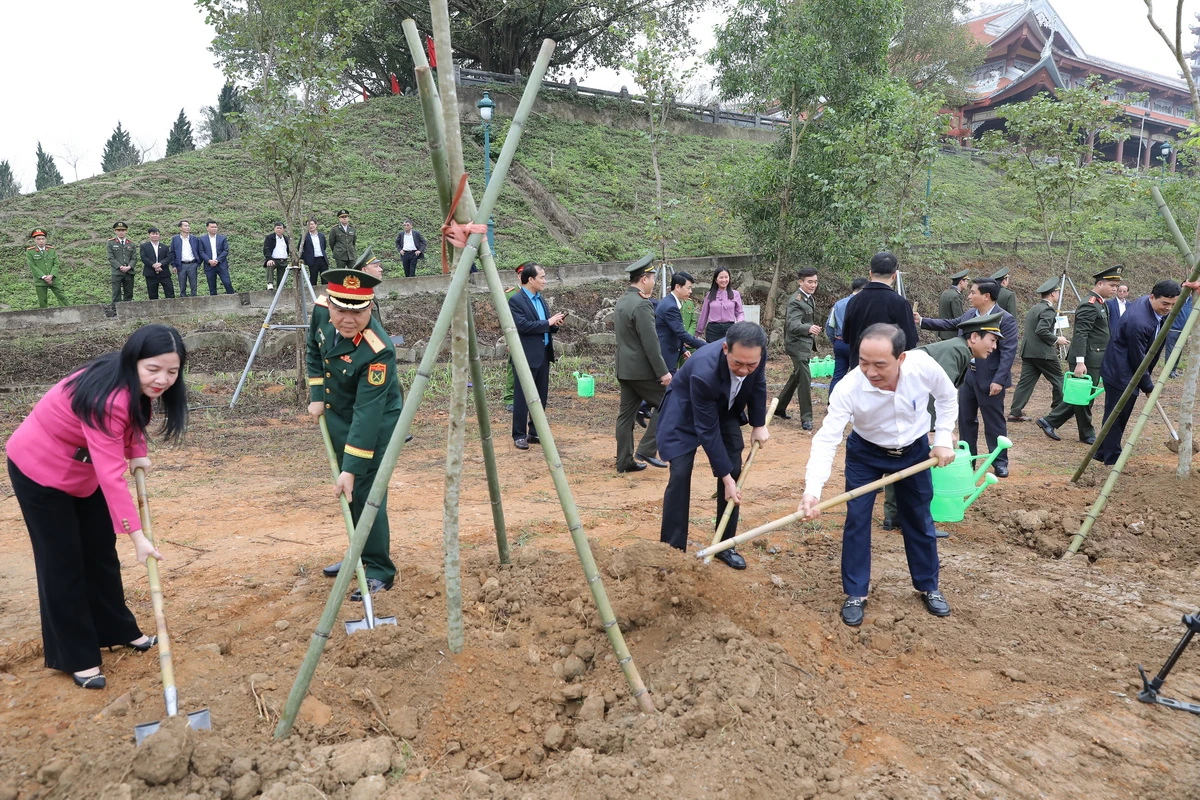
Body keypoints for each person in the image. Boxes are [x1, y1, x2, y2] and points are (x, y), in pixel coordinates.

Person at [5, 324, 188, 689]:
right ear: (133, 361)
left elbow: (135, 415)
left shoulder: (131, 383)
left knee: (100, 552)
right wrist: (138, 537)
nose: (163, 379)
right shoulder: (109, 398)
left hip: (81, 472)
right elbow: (110, 473)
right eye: (154, 369)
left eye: (172, 370)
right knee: (63, 562)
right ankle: (77, 655)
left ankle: (116, 629)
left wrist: (137, 451)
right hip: (39, 471)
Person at [798, 323, 958, 626]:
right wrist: (812, 490)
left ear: (901, 359)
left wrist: (941, 438)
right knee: (857, 518)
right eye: (863, 362)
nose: (870, 371)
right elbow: (827, 438)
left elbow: (948, 397)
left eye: (879, 364)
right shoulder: (848, 387)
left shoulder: (922, 366)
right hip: (866, 454)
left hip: (913, 452)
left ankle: (928, 585)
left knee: (919, 518)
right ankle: (856, 592)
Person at [307, 268, 403, 598]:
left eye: (358, 312)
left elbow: (367, 414)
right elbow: (313, 351)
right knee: (350, 494)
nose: (348, 319)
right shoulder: (320, 313)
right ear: (330, 304)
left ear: (371, 308)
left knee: (364, 492)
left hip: (374, 422)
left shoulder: (379, 351)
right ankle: (358, 555)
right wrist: (317, 396)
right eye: (341, 309)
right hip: (338, 415)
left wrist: (350, 468)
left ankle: (378, 569)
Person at [658, 322, 769, 570]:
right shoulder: (704, 371)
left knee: (734, 466)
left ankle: (724, 545)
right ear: (725, 348)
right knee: (680, 473)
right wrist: (725, 478)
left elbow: (758, 383)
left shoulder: (755, 356)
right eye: (737, 363)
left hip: (725, 408)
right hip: (685, 411)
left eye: (751, 364)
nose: (744, 370)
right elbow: (707, 431)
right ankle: (672, 552)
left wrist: (758, 424)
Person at [882, 314, 1005, 531]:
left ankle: (895, 516)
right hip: (901, 399)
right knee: (914, 462)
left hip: (898, 399)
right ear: (974, 337)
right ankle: (913, 520)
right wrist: (937, 431)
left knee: (901, 457)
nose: (994, 347)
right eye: (992, 340)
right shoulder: (957, 350)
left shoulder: (958, 350)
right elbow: (937, 392)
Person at [917, 279, 1018, 478]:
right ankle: (968, 459)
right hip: (968, 376)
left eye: (973, 293)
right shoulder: (970, 314)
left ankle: (999, 461)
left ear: (986, 296)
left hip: (990, 379)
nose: (969, 296)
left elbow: (1008, 352)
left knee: (993, 421)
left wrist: (999, 379)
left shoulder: (1005, 319)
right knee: (965, 420)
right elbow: (951, 324)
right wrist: (921, 321)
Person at [1094, 279, 1181, 465]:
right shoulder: (1139, 322)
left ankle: (1101, 452)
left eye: (1173, 304)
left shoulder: (1150, 307)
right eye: (1165, 303)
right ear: (1152, 297)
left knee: (1114, 414)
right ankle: (1112, 458)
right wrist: (1148, 386)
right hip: (1121, 372)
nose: (1168, 308)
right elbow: (1138, 359)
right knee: (1117, 415)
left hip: (1128, 368)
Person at [1038, 267, 1121, 445]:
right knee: (1083, 397)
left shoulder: (1100, 303)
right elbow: (1080, 334)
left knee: (1084, 397)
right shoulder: (1089, 304)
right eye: (1112, 285)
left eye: (1117, 285)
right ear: (1100, 283)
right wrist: (1080, 362)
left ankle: (1052, 422)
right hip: (1087, 359)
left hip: (1096, 357)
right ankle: (1084, 433)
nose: (1115, 288)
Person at [614, 255, 672, 472]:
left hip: (624, 368)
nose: (654, 282)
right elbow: (651, 344)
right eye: (652, 278)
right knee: (669, 401)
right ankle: (647, 449)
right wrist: (663, 372)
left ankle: (624, 461)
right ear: (644, 279)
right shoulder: (641, 305)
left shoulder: (623, 300)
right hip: (641, 371)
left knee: (626, 415)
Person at [509, 262, 565, 450]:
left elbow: (543, 324)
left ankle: (534, 431)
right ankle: (519, 435)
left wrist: (554, 324)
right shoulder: (516, 301)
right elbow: (522, 326)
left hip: (543, 354)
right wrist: (548, 322)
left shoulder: (540, 299)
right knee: (522, 397)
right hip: (525, 356)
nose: (545, 281)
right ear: (530, 279)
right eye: (542, 277)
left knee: (540, 396)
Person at [842, 251, 919, 364]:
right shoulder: (900, 303)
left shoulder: (854, 301)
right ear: (894, 275)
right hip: (887, 369)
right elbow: (910, 341)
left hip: (860, 367)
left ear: (870, 273)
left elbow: (846, 337)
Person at [1007, 278, 1067, 422]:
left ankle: (1015, 412)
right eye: (1057, 292)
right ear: (1053, 294)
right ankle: (1058, 411)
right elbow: (1041, 330)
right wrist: (1057, 340)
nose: (1058, 295)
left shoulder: (1034, 308)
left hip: (1029, 352)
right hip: (1043, 353)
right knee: (1059, 379)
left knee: (1025, 382)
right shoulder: (1048, 310)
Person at [776, 268, 821, 429]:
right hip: (797, 346)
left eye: (815, 281)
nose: (813, 285)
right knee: (804, 380)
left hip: (804, 345)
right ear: (800, 282)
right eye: (810, 281)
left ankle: (779, 407)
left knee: (796, 376)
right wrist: (808, 328)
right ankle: (806, 418)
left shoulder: (808, 298)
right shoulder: (796, 300)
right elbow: (792, 324)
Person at [655, 271, 706, 373]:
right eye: (688, 288)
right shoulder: (670, 307)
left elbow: (671, 331)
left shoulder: (669, 302)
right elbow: (680, 333)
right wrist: (705, 346)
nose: (690, 291)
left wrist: (682, 349)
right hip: (666, 356)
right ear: (678, 287)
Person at [824, 278, 868, 393]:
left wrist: (834, 341)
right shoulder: (863, 304)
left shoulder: (838, 304)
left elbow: (829, 326)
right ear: (863, 289)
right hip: (857, 344)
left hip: (840, 342)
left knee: (838, 375)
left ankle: (831, 403)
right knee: (859, 375)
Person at [503, 263, 528, 412]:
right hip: (515, 335)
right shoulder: (510, 294)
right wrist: (508, 340)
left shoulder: (535, 293)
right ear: (518, 276)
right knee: (513, 368)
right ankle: (510, 398)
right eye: (521, 274)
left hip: (531, 334)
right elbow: (506, 319)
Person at [696, 267, 744, 343]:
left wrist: (739, 322)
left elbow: (740, 313)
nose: (724, 280)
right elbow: (704, 315)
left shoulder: (735, 294)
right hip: (713, 330)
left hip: (729, 329)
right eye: (721, 277)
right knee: (713, 353)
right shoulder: (709, 295)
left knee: (728, 353)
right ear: (716, 280)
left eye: (726, 277)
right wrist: (697, 333)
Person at [26, 228, 68, 308]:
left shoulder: (51, 250)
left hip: (53, 278)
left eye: (43, 239)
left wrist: (51, 275)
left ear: (46, 239)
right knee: (42, 301)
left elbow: (56, 263)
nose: (41, 241)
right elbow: (33, 266)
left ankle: (69, 313)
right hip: (40, 280)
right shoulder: (30, 252)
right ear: (34, 240)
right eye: (38, 239)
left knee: (62, 297)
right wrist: (44, 277)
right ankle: (44, 318)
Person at [196, 220, 235, 295]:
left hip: (221, 264)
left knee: (227, 283)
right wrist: (209, 260)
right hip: (209, 265)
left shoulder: (222, 238)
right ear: (207, 228)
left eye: (215, 227)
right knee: (212, 286)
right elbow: (201, 251)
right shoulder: (202, 239)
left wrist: (217, 260)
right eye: (212, 227)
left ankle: (232, 299)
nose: (214, 228)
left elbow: (225, 251)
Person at [140, 227, 175, 300]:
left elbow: (168, 258)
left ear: (159, 235)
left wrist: (160, 264)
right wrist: (153, 265)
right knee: (152, 294)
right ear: (149, 235)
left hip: (164, 272)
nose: (155, 235)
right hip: (150, 272)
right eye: (153, 234)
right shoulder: (144, 246)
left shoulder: (164, 247)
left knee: (170, 292)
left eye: (157, 234)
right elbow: (144, 258)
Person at [107, 222, 137, 303]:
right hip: (117, 272)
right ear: (115, 231)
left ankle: (127, 312)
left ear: (126, 231)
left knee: (129, 293)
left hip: (129, 272)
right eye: (118, 230)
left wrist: (129, 267)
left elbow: (134, 258)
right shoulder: (111, 243)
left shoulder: (131, 243)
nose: (121, 232)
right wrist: (120, 267)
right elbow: (110, 258)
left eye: (123, 230)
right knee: (116, 293)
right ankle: (115, 312)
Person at [171, 220, 203, 297]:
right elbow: (172, 252)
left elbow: (199, 250)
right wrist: (173, 265)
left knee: (194, 285)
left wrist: (198, 262)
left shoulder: (194, 238)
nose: (188, 227)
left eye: (188, 226)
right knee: (182, 285)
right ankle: (183, 300)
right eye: (185, 226)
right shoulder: (175, 239)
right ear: (180, 228)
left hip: (192, 264)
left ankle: (194, 300)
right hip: (181, 265)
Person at [936, 270, 969, 340]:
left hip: (942, 331)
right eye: (966, 281)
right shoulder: (955, 296)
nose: (967, 283)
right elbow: (959, 317)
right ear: (961, 282)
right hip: (951, 334)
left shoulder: (946, 292)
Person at [301, 218, 330, 287]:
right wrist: (306, 258)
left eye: (312, 224)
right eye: (308, 225)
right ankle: (313, 296)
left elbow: (324, 246)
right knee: (313, 279)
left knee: (325, 278)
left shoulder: (321, 236)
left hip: (322, 259)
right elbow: (301, 248)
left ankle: (326, 294)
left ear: (316, 225)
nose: (310, 226)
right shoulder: (305, 236)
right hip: (312, 260)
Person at [263, 222, 290, 290]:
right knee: (270, 265)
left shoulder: (286, 239)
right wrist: (269, 258)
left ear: (283, 230)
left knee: (281, 278)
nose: (279, 230)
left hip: (283, 260)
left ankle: (280, 288)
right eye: (277, 228)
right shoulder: (270, 238)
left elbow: (288, 249)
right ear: (274, 229)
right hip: (273, 259)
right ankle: (270, 283)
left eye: (281, 228)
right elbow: (266, 248)